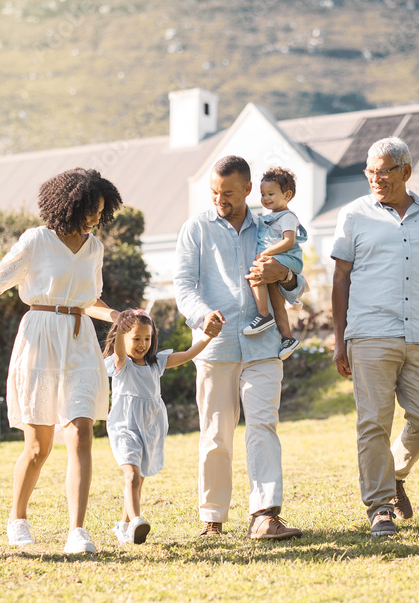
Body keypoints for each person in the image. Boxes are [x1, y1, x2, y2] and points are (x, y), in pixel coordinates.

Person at [0, 167, 123, 554]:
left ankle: (77, 531)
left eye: (101, 211)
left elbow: (89, 301)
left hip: (79, 342)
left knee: (80, 432)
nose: (96, 217)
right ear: (70, 204)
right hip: (40, 338)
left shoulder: (94, 248)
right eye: (91, 209)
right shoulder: (36, 241)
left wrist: (118, 317)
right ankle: (17, 518)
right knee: (39, 446)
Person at [330, 137, 419, 537]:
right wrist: (339, 340)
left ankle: (395, 475)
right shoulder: (352, 215)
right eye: (370, 171)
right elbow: (340, 278)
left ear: (406, 172)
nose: (376, 178)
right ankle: (379, 507)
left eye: (385, 170)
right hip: (370, 334)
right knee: (373, 422)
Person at [174, 154, 307, 540]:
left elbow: (296, 284)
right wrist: (202, 316)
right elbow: (183, 286)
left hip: (264, 345)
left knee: (263, 425)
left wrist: (282, 273)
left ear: (248, 189)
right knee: (216, 433)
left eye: (229, 193)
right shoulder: (195, 229)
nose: (221, 200)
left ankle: (265, 515)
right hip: (215, 348)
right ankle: (212, 519)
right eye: (215, 192)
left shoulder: (272, 226)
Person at [102, 308, 221, 544]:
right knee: (132, 474)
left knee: (138, 478)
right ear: (123, 338)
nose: (142, 344)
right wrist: (120, 334)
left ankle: (124, 525)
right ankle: (136, 520)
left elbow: (188, 354)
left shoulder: (156, 364)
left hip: (151, 427)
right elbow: (118, 354)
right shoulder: (121, 364)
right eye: (135, 339)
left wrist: (207, 337)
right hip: (125, 426)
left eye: (147, 339)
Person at [242, 167, 307, 361]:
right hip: (279, 258)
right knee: (277, 304)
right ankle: (287, 338)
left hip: (287, 257)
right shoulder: (268, 217)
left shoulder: (287, 216)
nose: (266, 198)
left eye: (271, 193)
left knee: (256, 274)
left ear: (287, 195)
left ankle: (263, 315)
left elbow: (289, 241)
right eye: (263, 194)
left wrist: (266, 253)